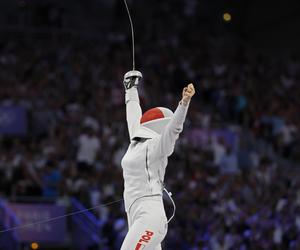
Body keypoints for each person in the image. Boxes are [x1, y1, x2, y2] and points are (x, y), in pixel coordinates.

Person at [120, 70, 195, 250]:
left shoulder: (158, 146)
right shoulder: (135, 141)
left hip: (150, 216)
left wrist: (184, 104)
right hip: (134, 214)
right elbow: (133, 113)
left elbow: (174, 129)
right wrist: (130, 89)